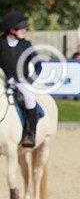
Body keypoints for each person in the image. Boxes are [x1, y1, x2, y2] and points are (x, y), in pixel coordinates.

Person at [0, 12, 42, 147]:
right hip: (4, 81)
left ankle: (31, 134)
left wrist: (29, 81)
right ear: (12, 30)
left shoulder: (25, 45)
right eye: (21, 28)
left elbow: (38, 65)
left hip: (21, 81)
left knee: (29, 98)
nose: (25, 30)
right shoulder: (1, 44)